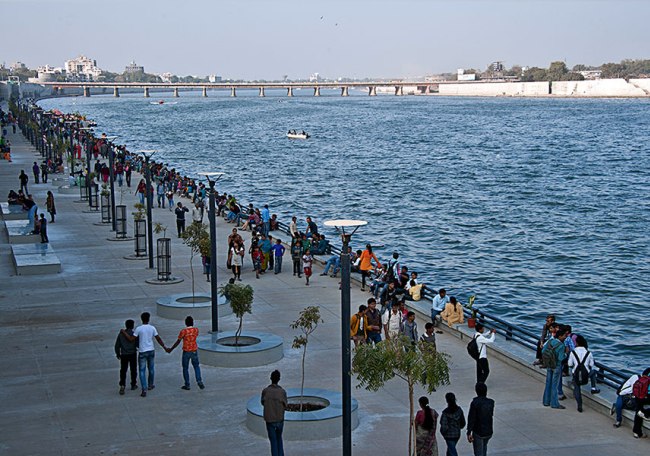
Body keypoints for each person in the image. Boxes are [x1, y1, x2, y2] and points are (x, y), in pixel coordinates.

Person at [121, 312, 168, 397]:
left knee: (142, 370)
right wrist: (164, 347)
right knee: (151, 369)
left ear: (141, 319)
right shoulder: (152, 328)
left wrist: (124, 332)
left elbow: (131, 339)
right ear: (149, 319)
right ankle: (150, 384)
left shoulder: (139, 329)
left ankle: (144, 389)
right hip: (151, 350)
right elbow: (158, 339)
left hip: (142, 351)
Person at [166, 316, 205, 391]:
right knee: (196, 366)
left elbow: (178, 341)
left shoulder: (183, 331)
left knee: (185, 368)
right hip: (194, 350)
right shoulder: (196, 330)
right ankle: (199, 381)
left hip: (186, 350)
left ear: (185, 323)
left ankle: (187, 384)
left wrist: (171, 349)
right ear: (192, 322)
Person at [567, 335, 600, 412]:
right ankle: (593, 388)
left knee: (577, 388)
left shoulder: (573, 352)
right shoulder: (589, 353)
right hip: (586, 374)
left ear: (577, 343)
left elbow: (569, 364)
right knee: (593, 372)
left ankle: (579, 405)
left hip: (576, 374)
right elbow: (591, 365)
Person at [261, 370, 287, 456]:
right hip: (279, 419)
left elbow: (262, 402)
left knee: (273, 441)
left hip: (270, 420)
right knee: (279, 438)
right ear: (279, 379)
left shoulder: (265, 391)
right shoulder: (282, 392)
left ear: (271, 378)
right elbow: (285, 405)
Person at [542, 327, 568, 409]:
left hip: (549, 364)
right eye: (564, 336)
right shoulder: (561, 346)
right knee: (554, 385)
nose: (565, 337)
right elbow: (561, 358)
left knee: (548, 383)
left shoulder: (550, 341)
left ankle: (546, 401)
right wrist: (566, 353)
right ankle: (554, 403)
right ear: (560, 336)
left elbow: (543, 351)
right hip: (557, 366)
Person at [467, 382, 495, 456]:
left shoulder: (474, 403)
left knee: (478, 452)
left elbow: (471, 418)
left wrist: (469, 432)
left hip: (478, 432)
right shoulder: (491, 402)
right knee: (484, 448)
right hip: (488, 430)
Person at [114, 319, 138, 395]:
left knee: (123, 370)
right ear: (132, 326)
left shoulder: (121, 334)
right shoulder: (134, 334)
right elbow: (137, 344)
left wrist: (118, 353)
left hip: (124, 354)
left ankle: (122, 384)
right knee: (133, 369)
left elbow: (117, 345)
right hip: (132, 354)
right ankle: (133, 384)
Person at [632, 367, 650, 438]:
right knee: (642, 412)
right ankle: (645, 413)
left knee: (638, 412)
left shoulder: (647, 370)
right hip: (647, 395)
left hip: (639, 394)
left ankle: (637, 432)